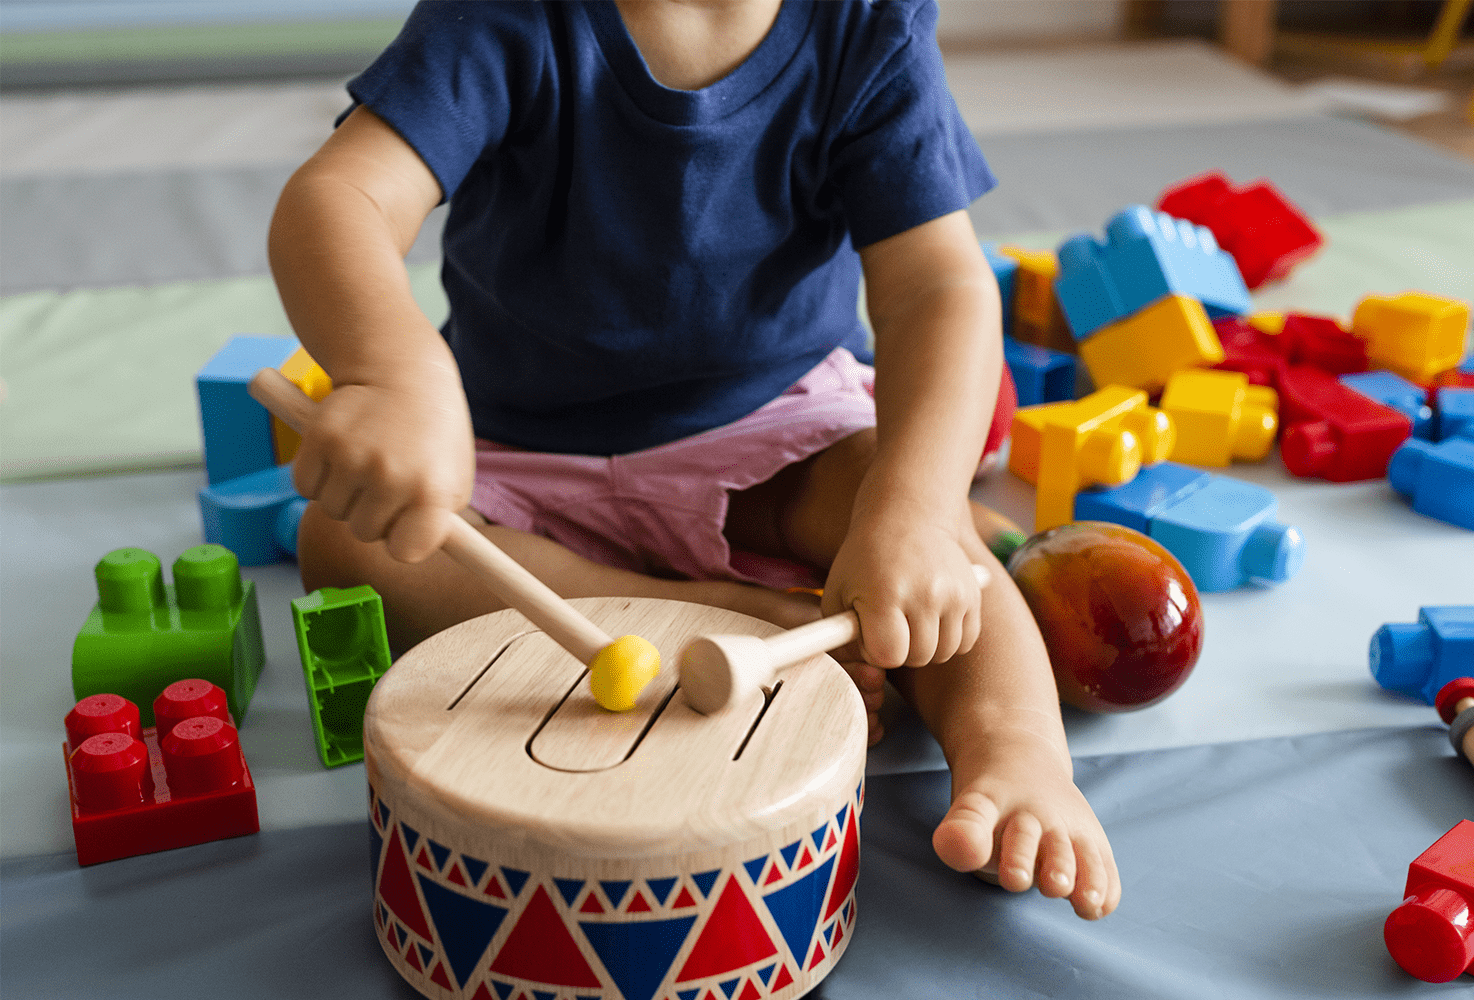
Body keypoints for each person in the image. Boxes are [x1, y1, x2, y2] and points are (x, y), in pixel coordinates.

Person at [269, 0, 1119, 920]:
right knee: (349, 543)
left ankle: (1014, 751)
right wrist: (394, 375)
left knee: (925, 522)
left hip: (775, 430)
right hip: (518, 447)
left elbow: (937, 288)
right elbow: (340, 197)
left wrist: (908, 511)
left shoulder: (867, 24)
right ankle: (723, 614)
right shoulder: (498, 17)